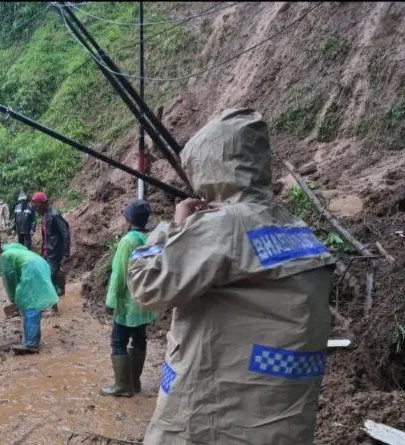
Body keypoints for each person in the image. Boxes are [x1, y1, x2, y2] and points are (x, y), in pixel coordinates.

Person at [127, 109, 336, 445]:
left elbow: (147, 285)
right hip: (279, 417)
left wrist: (173, 230)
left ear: (209, 166)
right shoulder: (294, 227)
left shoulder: (223, 226)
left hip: (215, 416)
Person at [100, 200, 158, 398]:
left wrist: (111, 301)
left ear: (129, 219)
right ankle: (135, 382)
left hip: (128, 301)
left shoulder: (127, 241)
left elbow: (119, 273)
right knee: (139, 337)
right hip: (145, 299)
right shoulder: (150, 238)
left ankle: (122, 385)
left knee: (118, 341)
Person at [0, 243, 59, 355]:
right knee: (35, 299)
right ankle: (33, 338)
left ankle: (31, 343)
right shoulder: (24, 253)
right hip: (43, 265)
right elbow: (17, 274)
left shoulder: (6, 255)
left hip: (31, 268)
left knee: (30, 302)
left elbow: (9, 277)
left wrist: (12, 297)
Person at [30, 192, 70, 312]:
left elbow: (65, 234)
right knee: (45, 276)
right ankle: (52, 300)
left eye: (37, 206)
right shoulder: (45, 216)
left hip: (55, 253)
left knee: (49, 279)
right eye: (34, 206)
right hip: (47, 252)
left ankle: (54, 309)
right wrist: (43, 251)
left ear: (44, 203)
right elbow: (47, 237)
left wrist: (65, 253)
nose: (36, 209)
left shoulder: (54, 215)